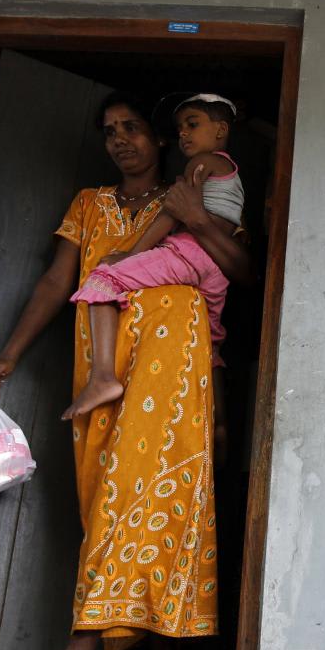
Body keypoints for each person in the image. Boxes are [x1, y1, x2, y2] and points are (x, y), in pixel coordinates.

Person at [0, 91, 251, 650]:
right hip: (104, 367)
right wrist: (11, 353)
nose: (121, 140)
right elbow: (56, 280)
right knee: (109, 495)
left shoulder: (196, 188)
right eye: (109, 132)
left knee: (152, 488)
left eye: (133, 128)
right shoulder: (89, 204)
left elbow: (244, 271)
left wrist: (197, 219)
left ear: (163, 139)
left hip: (175, 366)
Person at [62, 93, 244, 422]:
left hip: (189, 253)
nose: (184, 134)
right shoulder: (231, 173)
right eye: (180, 128)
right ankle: (218, 425)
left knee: (103, 277)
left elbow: (173, 213)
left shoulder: (200, 164)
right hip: (215, 270)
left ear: (220, 130)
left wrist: (132, 254)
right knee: (211, 341)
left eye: (192, 125)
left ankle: (102, 376)